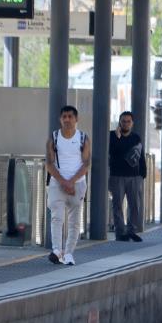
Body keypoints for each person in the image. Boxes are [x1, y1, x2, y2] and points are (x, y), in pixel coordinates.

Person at [45, 105, 91, 266]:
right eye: (64, 116)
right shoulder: (54, 137)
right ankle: (57, 250)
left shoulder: (83, 138)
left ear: (76, 119)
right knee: (56, 217)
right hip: (57, 183)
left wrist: (71, 181)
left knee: (74, 221)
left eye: (70, 116)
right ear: (60, 119)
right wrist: (63, 181)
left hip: (77, 184)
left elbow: (86, 164)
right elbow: (49, 164)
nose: (67, 119)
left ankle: (69, 253)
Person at [108, 111, 146, 242]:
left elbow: (140, 156)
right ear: (119, 122)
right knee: (117, 205)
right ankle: (120, 232)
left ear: (132, 123)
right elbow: (113, 151)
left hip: (134, 177)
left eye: (128, 121)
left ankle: (131, 230)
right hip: (117, 176)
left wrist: (142, 174)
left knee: (135, 205)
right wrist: (118, 138)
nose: (126, 124)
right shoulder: (112, 136)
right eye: (123, 121)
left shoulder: (136, 138)